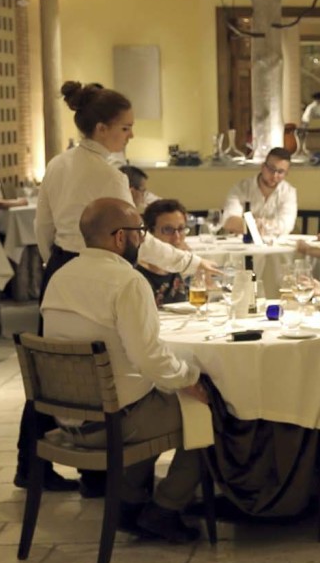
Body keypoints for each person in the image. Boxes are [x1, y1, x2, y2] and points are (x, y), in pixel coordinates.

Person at [19, 80, 219, 494]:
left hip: (61, 266)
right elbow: (134, 238)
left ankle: (39, 468)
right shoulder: (109, 175)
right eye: (126, 127)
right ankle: (116, 479)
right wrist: (190, 261)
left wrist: (58, 265)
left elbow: (43, 226)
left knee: (57, 365)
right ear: (102, 128)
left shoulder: (58, 163)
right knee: (113, 356)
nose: (131, 134)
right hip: (99, 263)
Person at [42, 197, 209, 542]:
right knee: (208, 412)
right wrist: (190, 379)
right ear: (120, 237)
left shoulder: (59, 277)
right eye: (141, 233)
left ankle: (130, 503)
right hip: (112, 422)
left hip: (67, 417)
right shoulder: (128, 282)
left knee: (146, 398)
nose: (143, 240)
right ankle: (166, 508)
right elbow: (149, 357)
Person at [221, 146, 297, 237]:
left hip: (273, 246)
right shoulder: (241, 188)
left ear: (286, 174)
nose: (274, 175)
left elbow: (286, 225)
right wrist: (255, 225)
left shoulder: (288, 192)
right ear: (263, 167)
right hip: (241, 245)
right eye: (271, 169)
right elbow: (229, 221)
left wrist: (254, 225)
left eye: (280, 172)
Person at [137, 199, 191, 307]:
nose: (177, 238)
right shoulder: (137, 276)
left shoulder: (184, 266)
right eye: (168, 230)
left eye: (181, 229)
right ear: (149, 233)